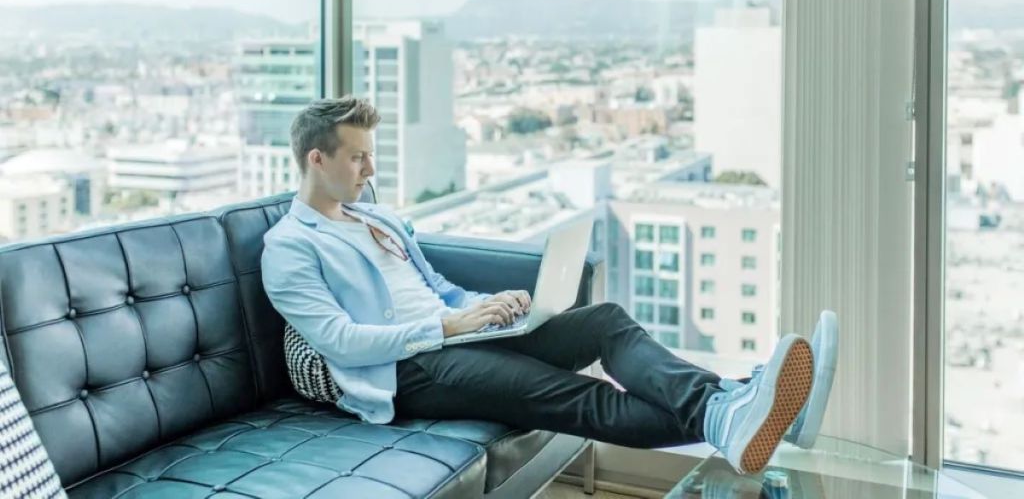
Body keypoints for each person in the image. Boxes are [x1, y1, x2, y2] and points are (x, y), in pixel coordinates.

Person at [261, 96, 839, 474]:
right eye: (358, 158)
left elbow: (432, 282)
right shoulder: (289, 246)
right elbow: (341, 341)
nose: (370, 170)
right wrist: (446, 325)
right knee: (571, 394)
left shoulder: (376, 217)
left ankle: (737, 409)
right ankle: (746, 409)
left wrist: (483, 306)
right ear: (316, 159)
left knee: (605, 322)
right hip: (407, 370)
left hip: (458, 336)